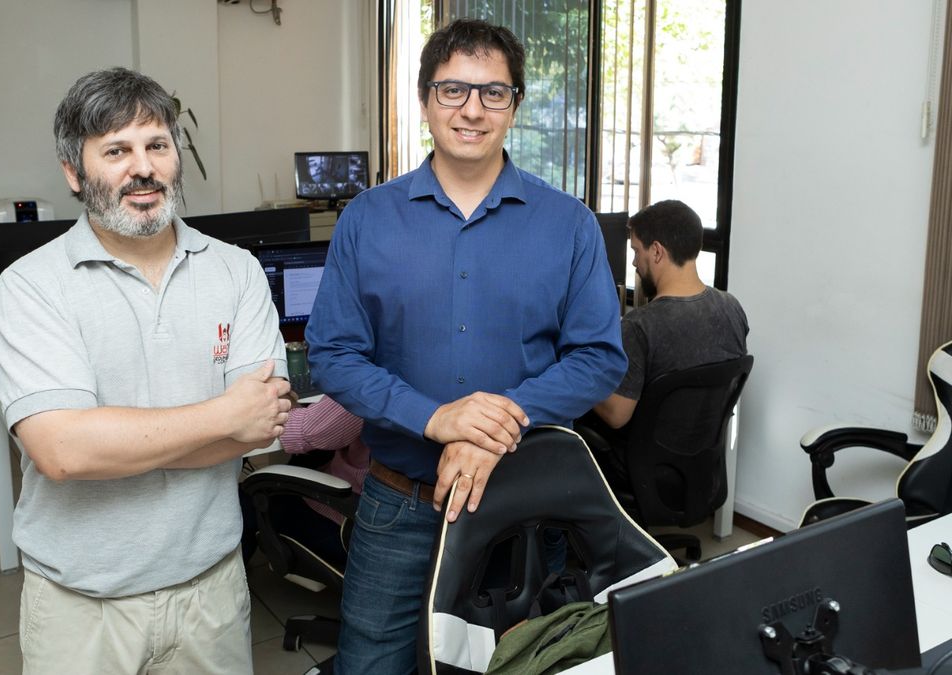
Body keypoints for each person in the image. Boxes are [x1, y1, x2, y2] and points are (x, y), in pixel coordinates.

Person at [304, 19, 627, 673]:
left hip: (525, 507)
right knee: (371, 664)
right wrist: (436, 417)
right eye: (453, 90)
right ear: (424, 100)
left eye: (493, 93)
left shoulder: (569, 224)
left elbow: (600, 357)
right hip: (401, 503)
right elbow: (332, 352)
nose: (472, 110)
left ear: (514, 106)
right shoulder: (368, 218)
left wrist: (492, 422)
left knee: (520, 664)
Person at [0, 67, 291, 674]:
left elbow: (259, 428)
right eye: (117, 151)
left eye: (157, 146)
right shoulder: (31, 286)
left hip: (211, 592)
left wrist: (114, 441)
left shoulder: (235, 272)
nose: (143, 168)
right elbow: (63, 453)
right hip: (81, 608)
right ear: (74, 172)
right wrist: (220, 416)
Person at [583, 199, 749, 475]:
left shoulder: (640, 326)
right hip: (700, 467)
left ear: (657, 251)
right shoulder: (732, 307)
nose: (635, 262)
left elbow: (616, 416)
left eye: (636, 251)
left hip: (643, 470)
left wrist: (577, 369)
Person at [241, 396, 370, 568]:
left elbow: (301, 431)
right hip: (402, 516)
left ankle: (229, 587)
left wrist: (286, 399)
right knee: (309, 459)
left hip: (355, 527)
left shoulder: (369, 384)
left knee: (244, 499)